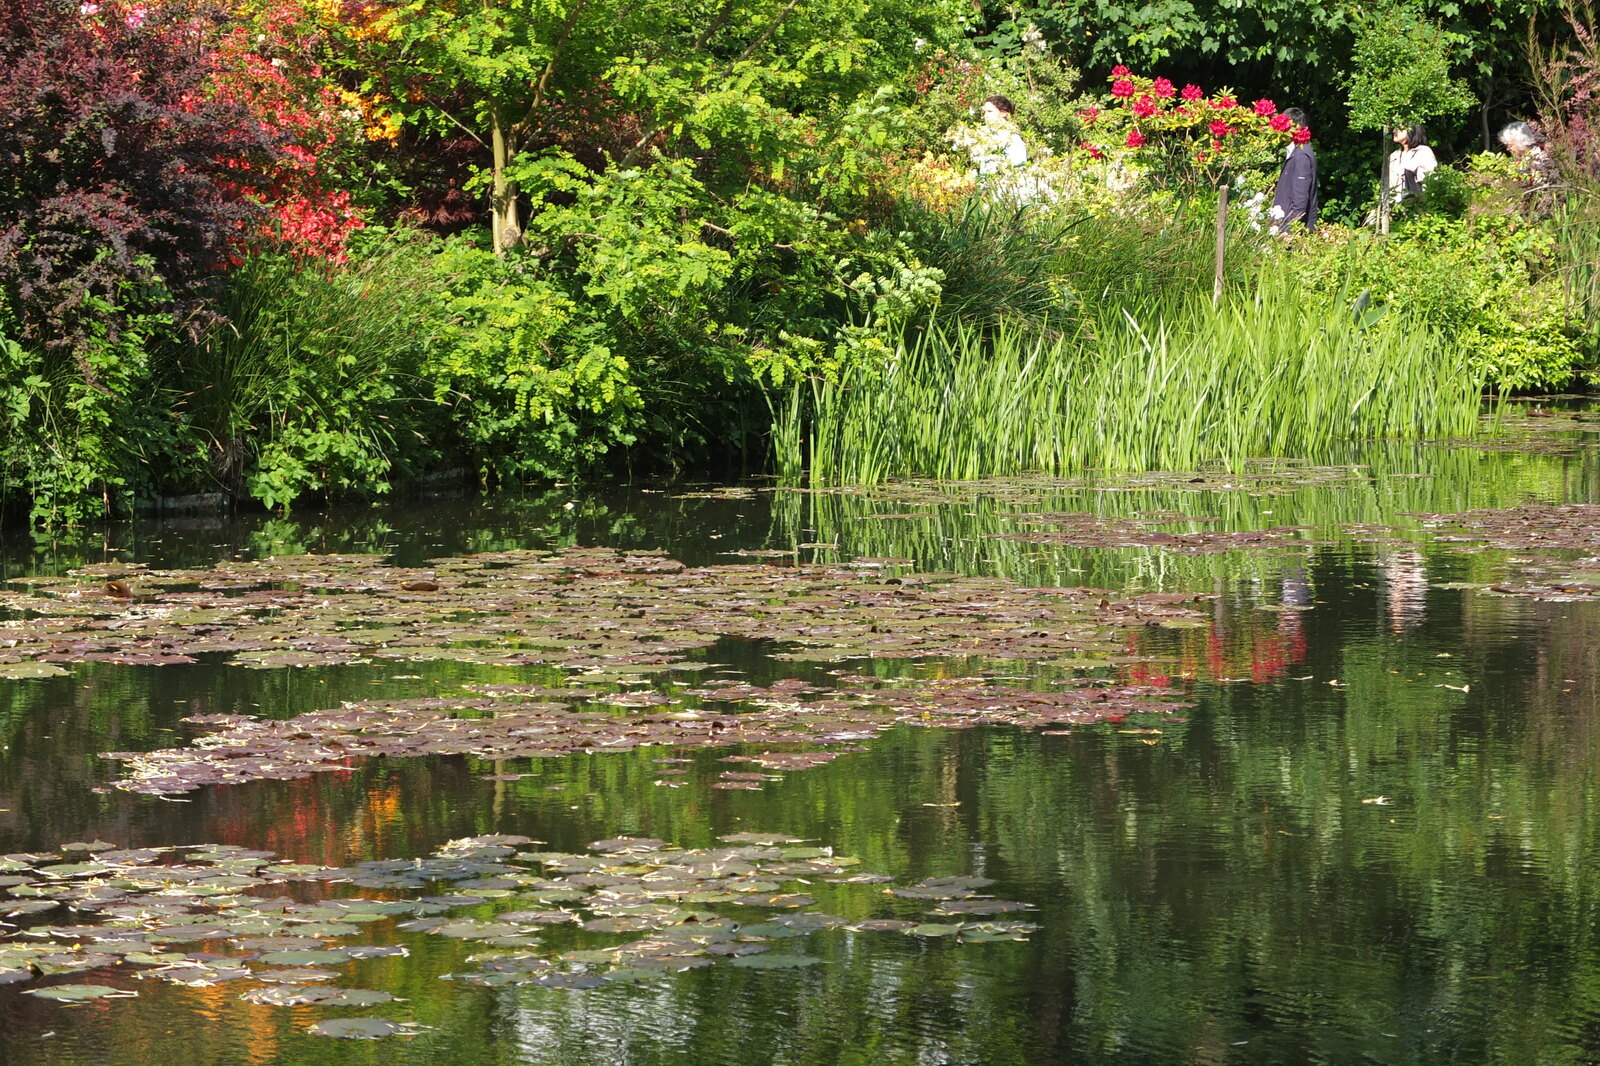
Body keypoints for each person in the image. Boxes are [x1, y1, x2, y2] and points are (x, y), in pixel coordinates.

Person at [1269, 107, 1317, 234]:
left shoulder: (1301, 156)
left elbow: (1300, 202)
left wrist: (1288, 232)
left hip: (1291, 233)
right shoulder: (1297, 152)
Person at [973, 95, 1028, 175]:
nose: (986, 115)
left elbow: (1019, 170)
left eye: (990, 111)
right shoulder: (985, 135)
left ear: (1003, 113)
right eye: (985, 112)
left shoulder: (1013, 139)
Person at [1388, 124, 1437, 204]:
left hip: (1418, 208)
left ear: (1411, 130)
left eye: (1399, 128)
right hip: (1395, 209)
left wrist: (1415, 171)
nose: (1394, 131)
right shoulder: (1393, 156)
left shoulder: (1423, 152)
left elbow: (1433, 180)